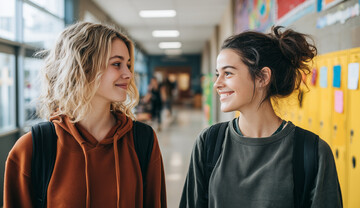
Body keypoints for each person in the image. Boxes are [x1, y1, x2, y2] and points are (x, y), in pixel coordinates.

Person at [4, 22, 167, 208]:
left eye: (128, 65)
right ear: (83, 67)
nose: (128, 74)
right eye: (117, 64)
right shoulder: (32, 148)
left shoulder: (142, 140)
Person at [180, 26, 342, 207]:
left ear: (263, 77)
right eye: (218, 74)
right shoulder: (209, 142)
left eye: (228, 73)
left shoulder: (312, 152)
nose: (217, 84)